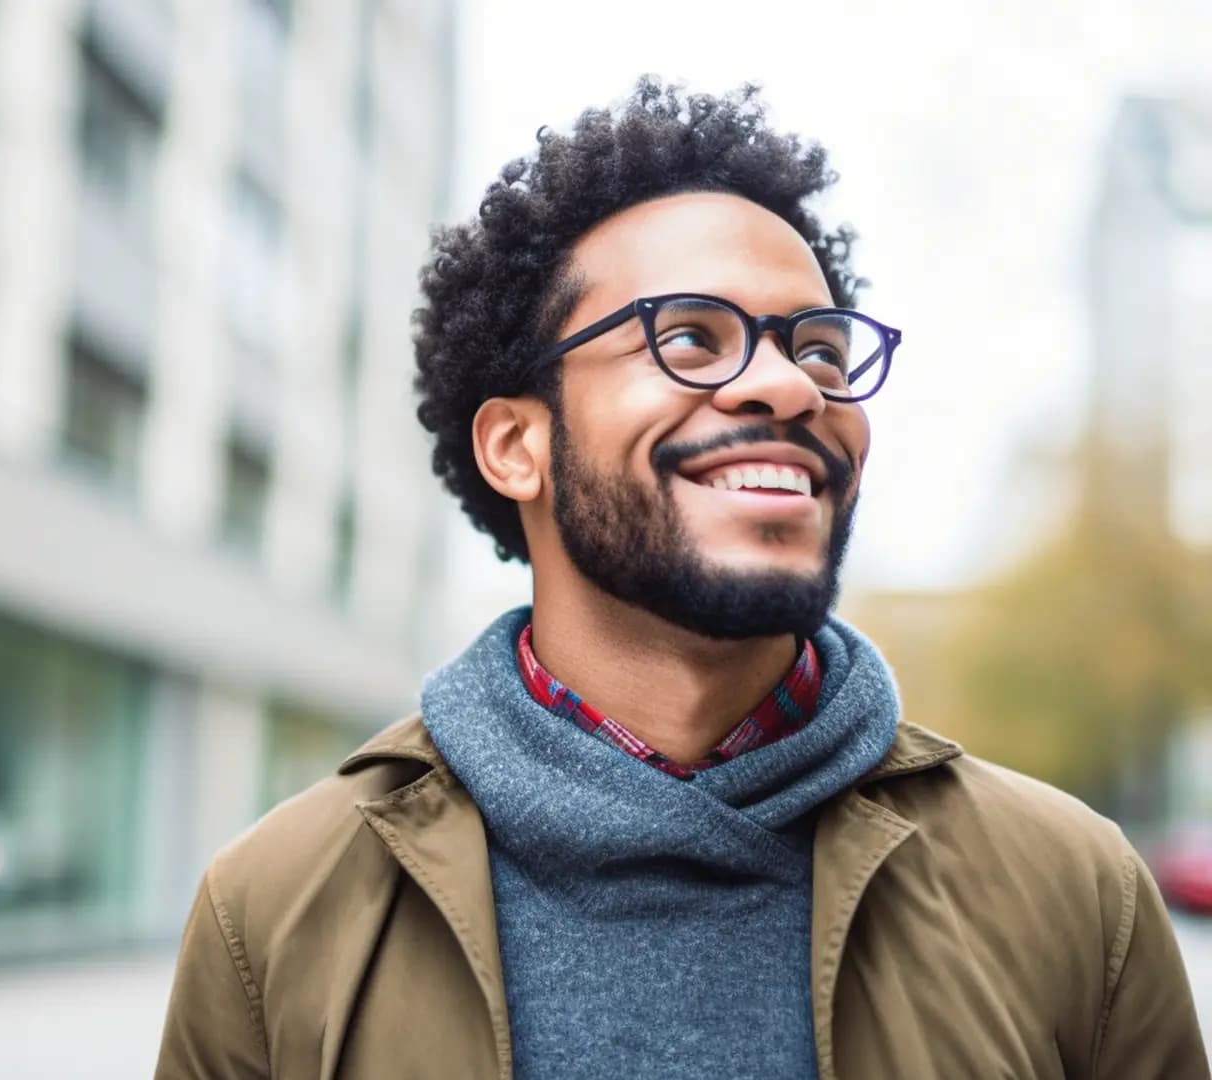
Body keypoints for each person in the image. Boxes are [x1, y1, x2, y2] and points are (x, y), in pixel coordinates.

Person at [154, 78, 1210, 1079]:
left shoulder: (1078, 895)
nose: (789, 387)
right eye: (691, 337)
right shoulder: (272, 914)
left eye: (819, 349)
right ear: (516, 445)